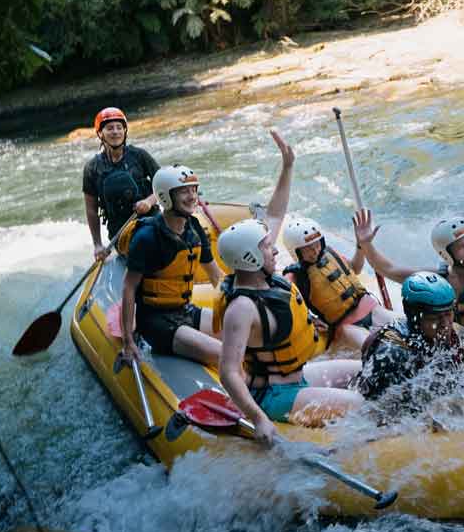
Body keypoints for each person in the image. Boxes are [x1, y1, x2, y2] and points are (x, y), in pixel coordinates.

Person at [215, 132, 364, 445]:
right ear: (250, 257)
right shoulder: (241, 308)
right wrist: (257, 418)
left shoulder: (266, 279)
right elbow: (228, 372)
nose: (274, 251)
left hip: (301, 375)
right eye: (267, 248)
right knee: (366, 408)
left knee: (372, 367)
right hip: (274, 396)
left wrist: (288, 166)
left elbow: (274, 213)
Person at [120, 165, 223, 368]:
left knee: (245, 336)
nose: (192, 196)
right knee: (224, 354)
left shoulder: (194, 228)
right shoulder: (147, 237)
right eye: (184, 191)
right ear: (165, 197)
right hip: (156, 322)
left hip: (185, 311)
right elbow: (128, 287)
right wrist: (127, 340)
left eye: (194, 189)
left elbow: (216, 277)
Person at [352, 271, 464, 404]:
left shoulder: (459, 335)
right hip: (366, 392)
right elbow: (380, 411)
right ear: (414, 317)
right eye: (434, 318)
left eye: (448, 314)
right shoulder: (391, 355)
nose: (445, 325)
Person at [281, 216, 398, 351]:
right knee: (377, 349)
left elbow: (356, 268)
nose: (315, 250)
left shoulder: (330, 254)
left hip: (369, 307)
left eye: (317, 244)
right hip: (345, 326)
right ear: (296, 251)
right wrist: (312, 320)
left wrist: (361, 246)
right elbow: (287, 310)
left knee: (405, 324)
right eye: (308, 248)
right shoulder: (294, 276)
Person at [82, 106, 160, 261]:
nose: (115, 132)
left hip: (151, 219)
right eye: (109, 128)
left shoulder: (140, 156)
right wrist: (98, 244)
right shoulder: (92, 168)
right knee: (143, 244)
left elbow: (163, 185)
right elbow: (91, 210)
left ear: (125, 131)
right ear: (100, 134)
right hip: (121, 231)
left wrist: (149, 201)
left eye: (119, 127)